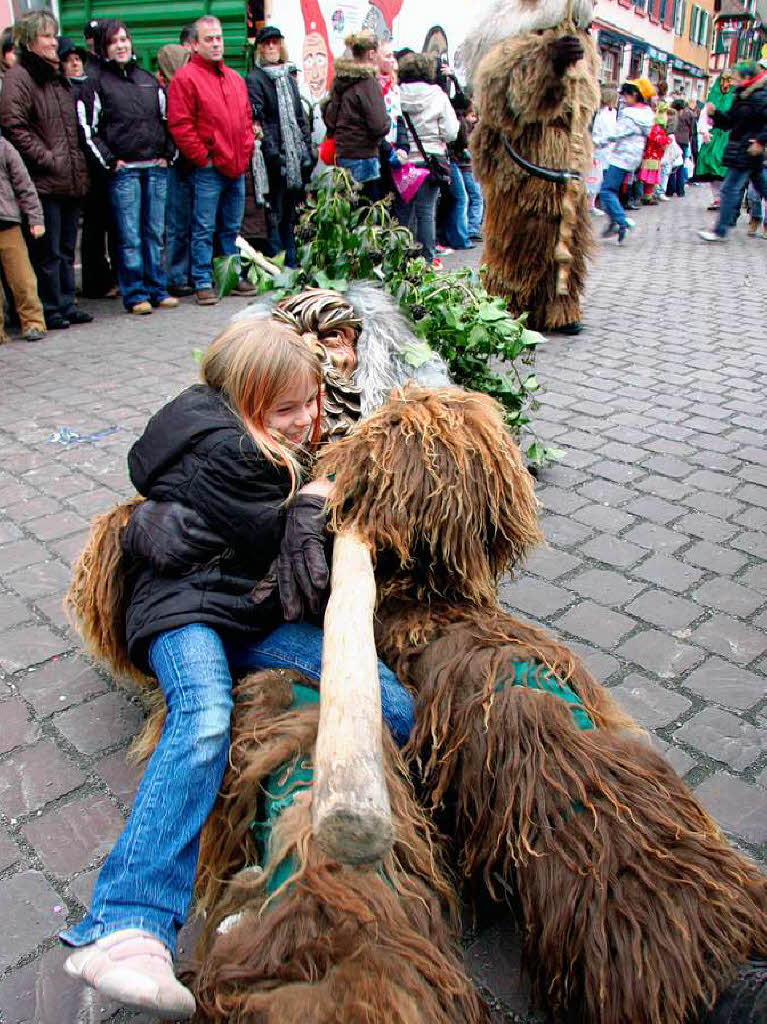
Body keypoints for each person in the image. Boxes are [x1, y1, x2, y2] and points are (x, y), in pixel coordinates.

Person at [60, 320, 415, 1018]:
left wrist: (317, 481)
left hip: (248, 612)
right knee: (203, 717)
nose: (307, 419)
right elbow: (276, 524)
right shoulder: (230, 454)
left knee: (390, 706)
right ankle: (126, 924)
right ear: (240, 402)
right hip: (185, 610)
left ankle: (276, 878)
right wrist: (315, 498)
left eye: (313, 401)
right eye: (287, 410)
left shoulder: (259, 438)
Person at [0, 11, 92, 331]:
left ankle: (67, 302)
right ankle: (50, 307)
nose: (54, 42)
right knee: (47, 251)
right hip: (44, 180)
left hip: (68, 177)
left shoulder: (56, 77)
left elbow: (70, 129)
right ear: (30, 40)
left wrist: (73, 163)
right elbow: (15, 126)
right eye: (46, 36)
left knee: (66, 248)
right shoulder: (20, 77)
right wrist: (48, 158)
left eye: (54, 35)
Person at [78, 21, 176, 315]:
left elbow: (169, 120)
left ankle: (158, 289)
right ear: (105, 48)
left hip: (155, 169)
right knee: (130, 237)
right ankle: (135, 294)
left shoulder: (148, 79)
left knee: (155, 234)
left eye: (124, 39)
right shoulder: (96, 83)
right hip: (125, 173)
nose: (121, 45)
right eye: (114, 41)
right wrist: (110, 161)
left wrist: (169, 154)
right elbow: (87, 129)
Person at [168, 16, 257, 306]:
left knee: (231, 227)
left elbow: (245, 120)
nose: (217, 43)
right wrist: (202, 158)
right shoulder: (186, 78)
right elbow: (181, 125)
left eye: (219, 37)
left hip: (235, 165)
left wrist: (245, 152)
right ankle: (203, 279)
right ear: (194, 44)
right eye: (209, 39)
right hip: (209, 168)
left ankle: (228, 277)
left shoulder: (234, 79)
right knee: (203, 227)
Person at [247, 25, 313, 266]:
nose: (271, 47)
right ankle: (279, 264)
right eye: (266, 43)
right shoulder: (255, 79)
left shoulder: (289, 78)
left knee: (292, 215)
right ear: (260, 49)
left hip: (295, 158)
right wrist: (275, 156)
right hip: (274, 158)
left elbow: (299, 118)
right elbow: (260, 122)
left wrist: (307, 150)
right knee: (274, 215)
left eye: (275, 42)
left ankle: (293, 263)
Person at [397, 52, 459, 268]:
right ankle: (427, 260)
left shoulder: (397, 94)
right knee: (426, 212)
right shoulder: (438, 95)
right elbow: (451, 132)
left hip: (403, 162)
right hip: (431, 160)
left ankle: (402, 258)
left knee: (404, 212)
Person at [698, 60, 767, 243]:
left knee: (729, 189)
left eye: (736, 77)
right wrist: (715, 113)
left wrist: (760, 141)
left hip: (748, 149)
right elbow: (729, 122)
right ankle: (721, 229)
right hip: (742, 148)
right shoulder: (742, 95)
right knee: (762, 188)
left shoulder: (760, 96)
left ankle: (720, 231)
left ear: (746, 77)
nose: (732, 81)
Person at [322, 30, 390, 199]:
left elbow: (330, 120)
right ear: (371, 54)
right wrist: (388, 122)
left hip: (343, 155)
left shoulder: (340, 80)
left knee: (346, 214)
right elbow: (378, 125)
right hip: (364, 157)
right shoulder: (369, 83)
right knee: (366, 216)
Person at [0, 130, 46, 341]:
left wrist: (35, 218)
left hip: (7, 223)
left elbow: (24, 184)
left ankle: (33, 323)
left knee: (23, 279)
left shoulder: (4, 146)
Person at [598, 78, 655, 244]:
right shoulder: (645, 114)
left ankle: (621, 220)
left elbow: (615, 133)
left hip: (622, 157)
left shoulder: (632, 115)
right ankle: (614, 222)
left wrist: (596, 142)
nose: (623, 98)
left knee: (607, 190)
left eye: (626, 94)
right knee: (612, 190)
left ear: (635, 95)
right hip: (631, 157)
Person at [156, 44, 193, 296]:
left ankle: (181, 272)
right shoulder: (166, 93)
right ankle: (175, 274)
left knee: (186, 223)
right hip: (174, 164)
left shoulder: (183, 89)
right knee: (176, 223)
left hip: (185, 162)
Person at [696, 69, 735, 211]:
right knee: (709, 163)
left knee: (726, 167)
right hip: (714, 136)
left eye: (728, 80)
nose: (725, 84)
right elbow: (704, 116)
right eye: (723, 80)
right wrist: (705, 132)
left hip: (730, 136)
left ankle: (728, 196)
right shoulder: (713, 98)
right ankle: (717, 197)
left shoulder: (736, 97)